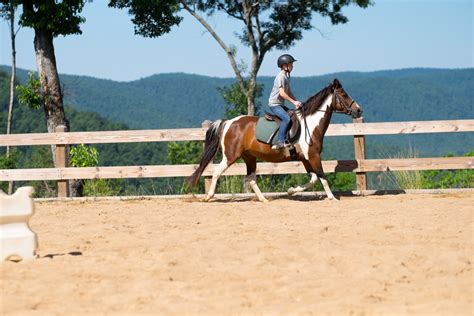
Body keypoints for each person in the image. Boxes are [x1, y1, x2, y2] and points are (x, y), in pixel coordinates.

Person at [268, 54, 302, 149]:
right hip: (274, 105)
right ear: (284, 65)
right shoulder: (281, 77)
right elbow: (282, 93)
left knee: (292, 115)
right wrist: (294, 102)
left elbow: (289, 92)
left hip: (280, 104)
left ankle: (288, 139)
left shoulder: (286, 77)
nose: (292, 66)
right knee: (286, 119)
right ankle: (280, 141)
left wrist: (296, 101)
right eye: (291, 64)